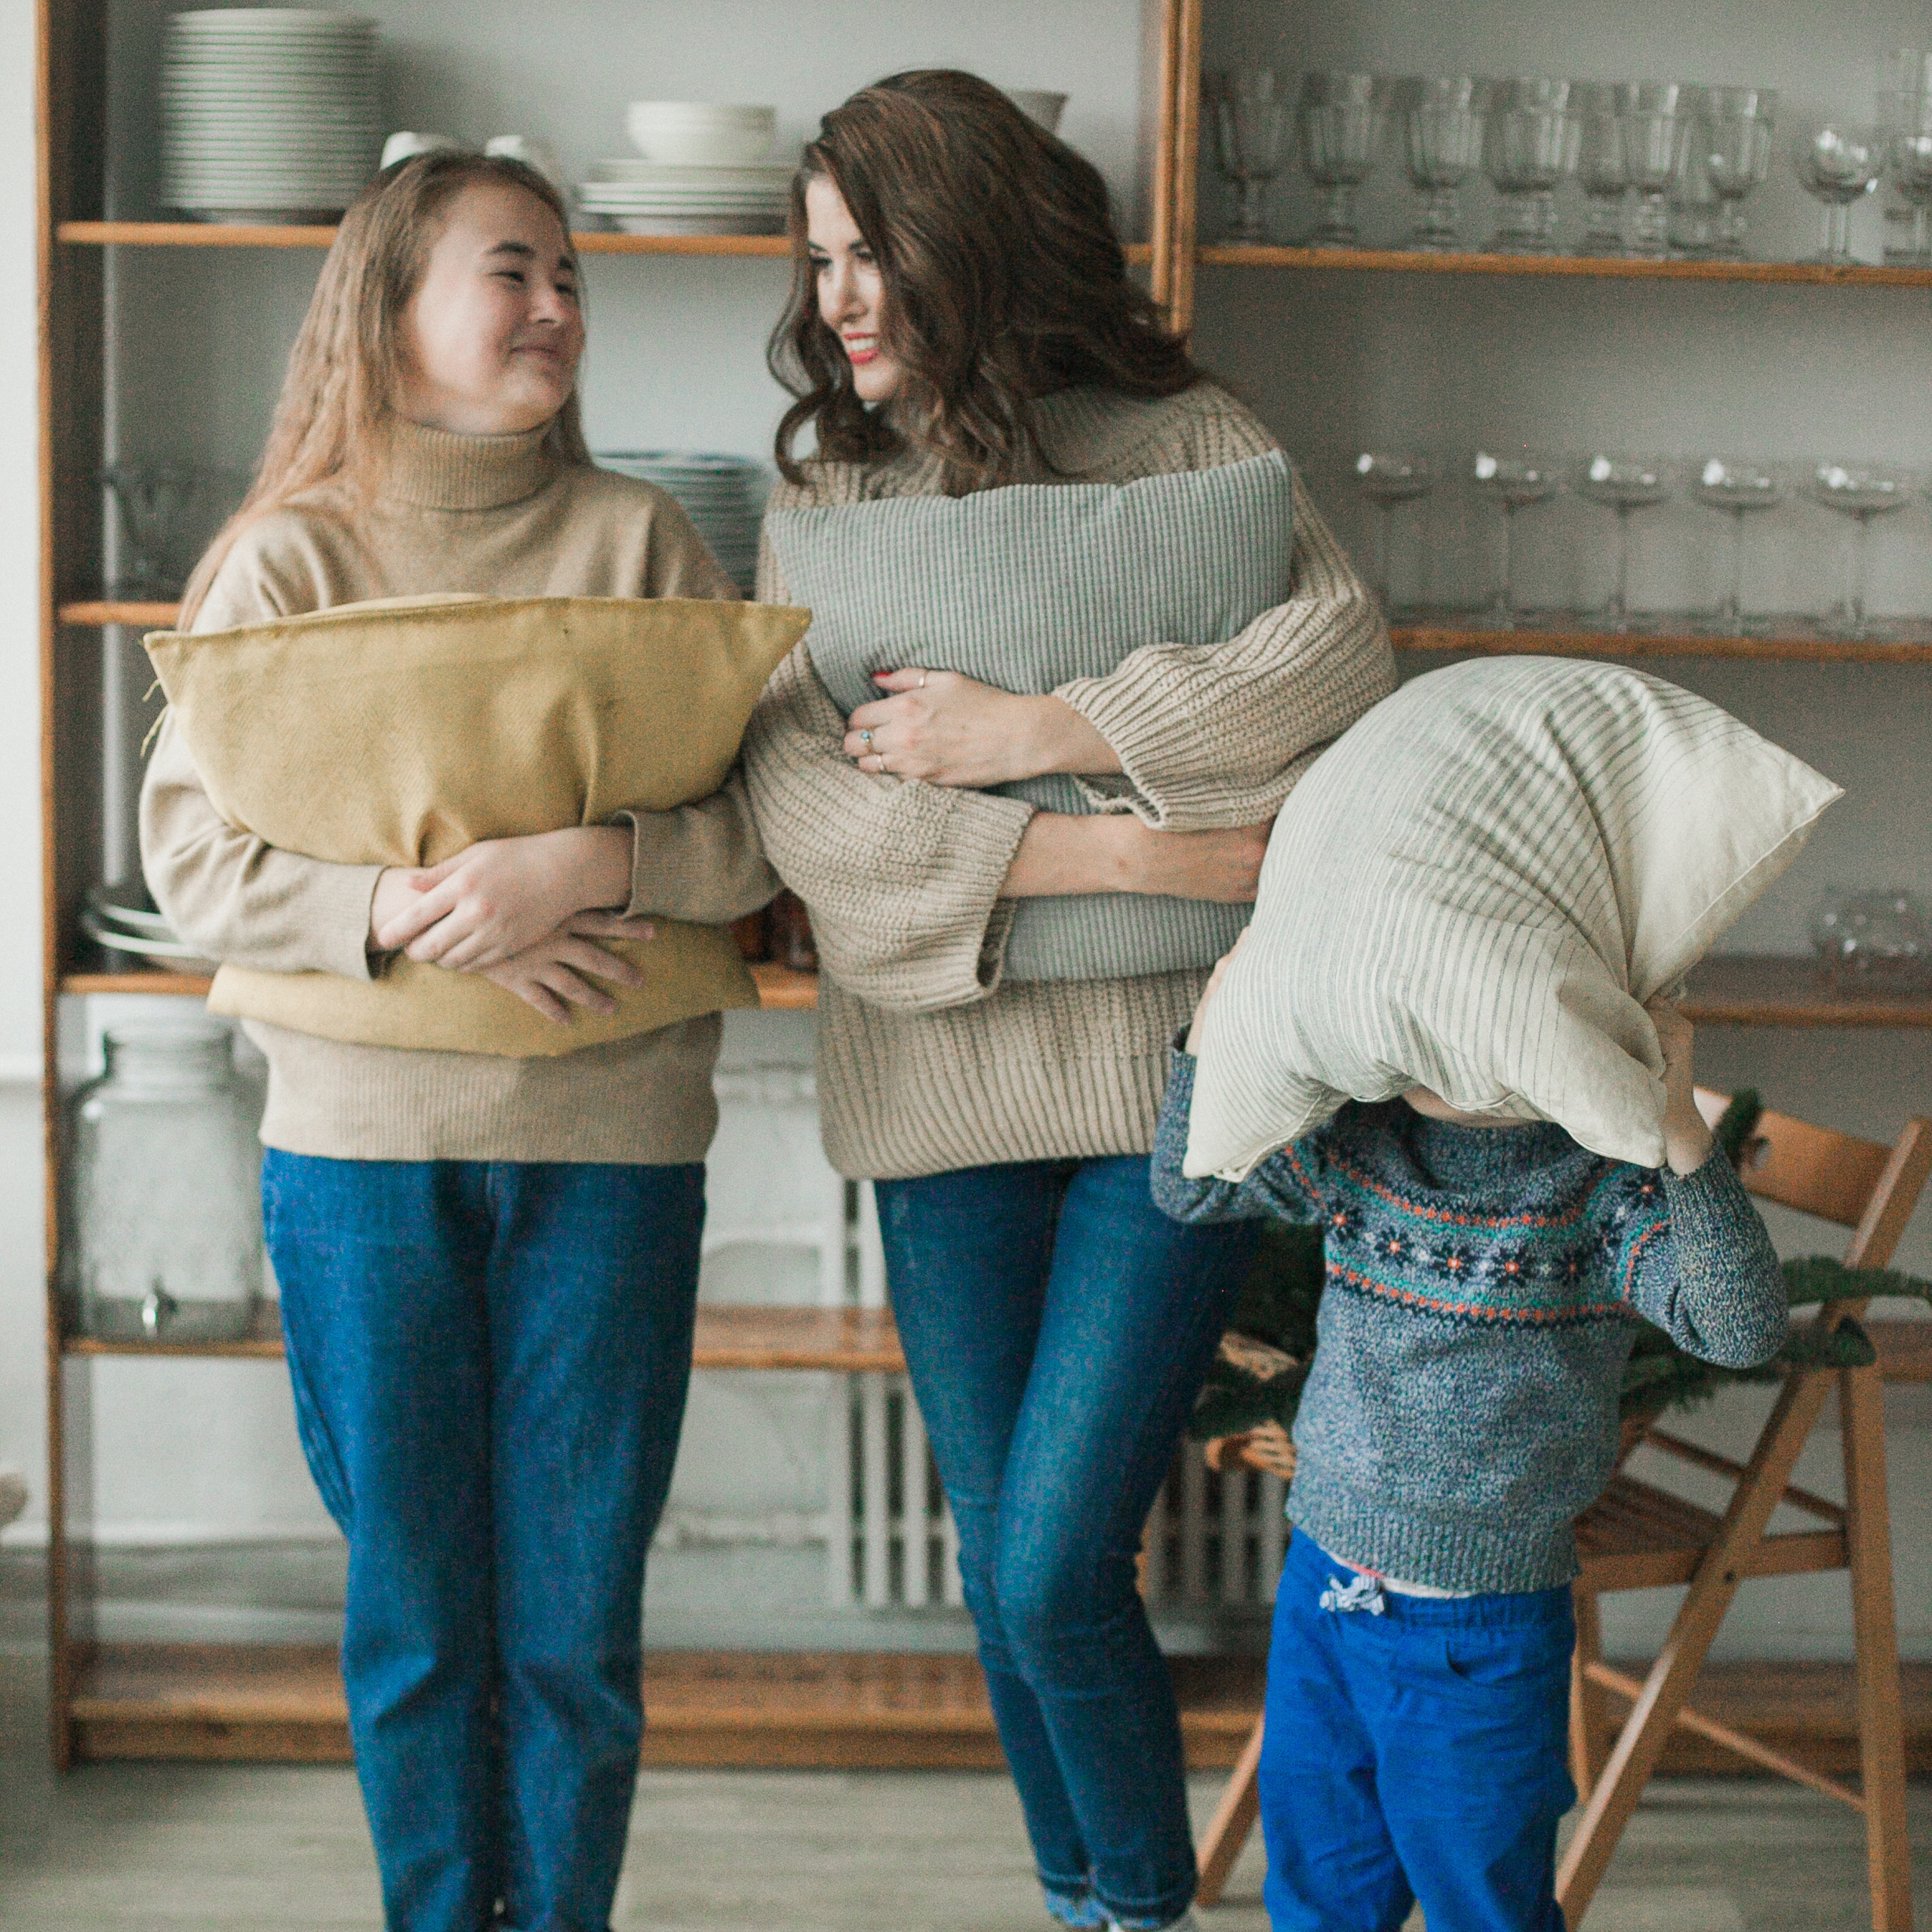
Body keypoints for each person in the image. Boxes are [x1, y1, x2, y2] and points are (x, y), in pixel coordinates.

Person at [741, 72, 1394, 1932]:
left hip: (1171, 1085)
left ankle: (1132, 1906)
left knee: (1049, 1566)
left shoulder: (1190, 441)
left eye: (873, 253)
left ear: (975, 244)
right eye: (821, 260)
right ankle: (1091, 1896)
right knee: (1000, 1566)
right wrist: (1121, 856)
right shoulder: (830, 490)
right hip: (938, 1090)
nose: (839, 299)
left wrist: (1042, 732)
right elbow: (804, 804)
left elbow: (1338, 654)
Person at [141, 152, 773, 1932]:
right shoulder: (286, 557)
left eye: (571, 276)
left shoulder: (642, 541)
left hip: (617, 1156)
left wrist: (597, 858)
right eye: (515, 271)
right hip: (357, 1160)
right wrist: (405, 907)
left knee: (574, 1623)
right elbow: (190, 856)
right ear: (388, 303)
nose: (560, 306)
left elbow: (762, 833)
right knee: (418, 1619)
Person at [1150, 955, 1790, 1932]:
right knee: (1319, 1893)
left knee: (1484, 1906)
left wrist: (1675, 1126)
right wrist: (1219, 1008)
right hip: (1324, 1589)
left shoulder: (1603, 1193)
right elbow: (1187, 1189)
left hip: (1480, 1630)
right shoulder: (1360, 1145)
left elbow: (1739, 1325)